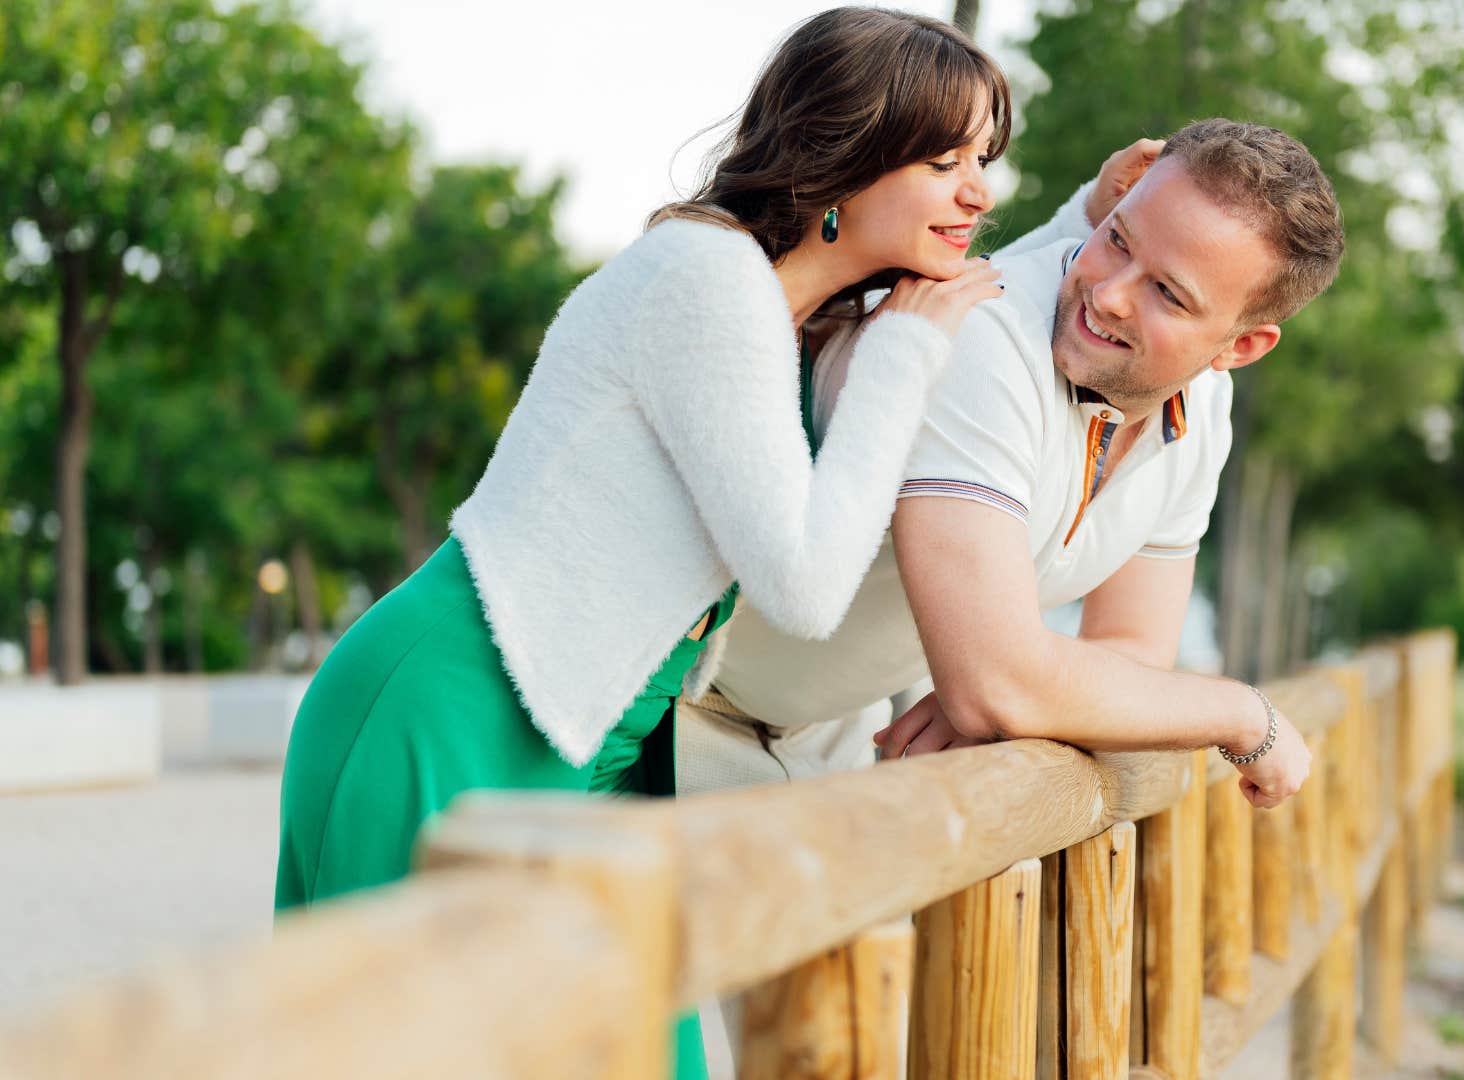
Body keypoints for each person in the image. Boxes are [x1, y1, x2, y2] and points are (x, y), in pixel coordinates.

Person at [271, 8, 1151, 1077]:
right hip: (450, 710)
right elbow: (807, 584)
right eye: (942, 160)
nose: (978, 191)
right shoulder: (705, 282)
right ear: (846, 152)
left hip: (584, 753)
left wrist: (1093, 219)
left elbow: (981, 291)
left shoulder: (781, 312)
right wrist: (908, 354)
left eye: (985, 162)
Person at [681, 118, 1345, 808]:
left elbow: (1129, 647)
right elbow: (997, 684)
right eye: (1116, 238)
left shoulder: (1204, 408)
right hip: (670, 710)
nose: (1111, 293)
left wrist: (1028, 690)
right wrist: (1240, 715)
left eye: (1168, 294)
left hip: (829, 744)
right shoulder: (982, 336)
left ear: (1240, 347)